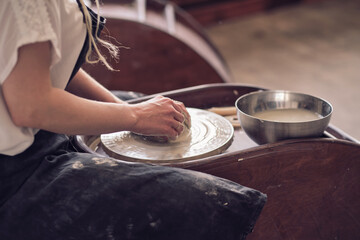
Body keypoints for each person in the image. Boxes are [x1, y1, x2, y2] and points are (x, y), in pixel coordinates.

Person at [0, 0, 266, 239]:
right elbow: (31, 106)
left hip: (34, 132)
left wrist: (124, 108)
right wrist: (136, 116)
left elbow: (46, 67)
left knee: (136, 99)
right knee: (211, 204)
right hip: (15, 174)